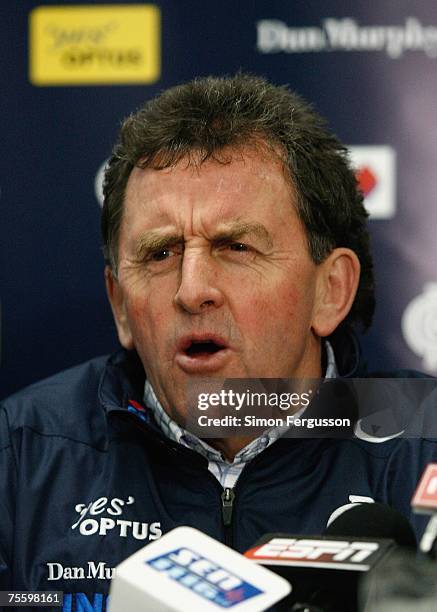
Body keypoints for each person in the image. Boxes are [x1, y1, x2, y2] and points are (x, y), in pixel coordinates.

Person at [0, 73, 435, 610]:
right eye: (159, 253)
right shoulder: (18, 458)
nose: (191, 290)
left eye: (235, 247)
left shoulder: (425, 444)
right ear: (120, 306)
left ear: (330, 290)